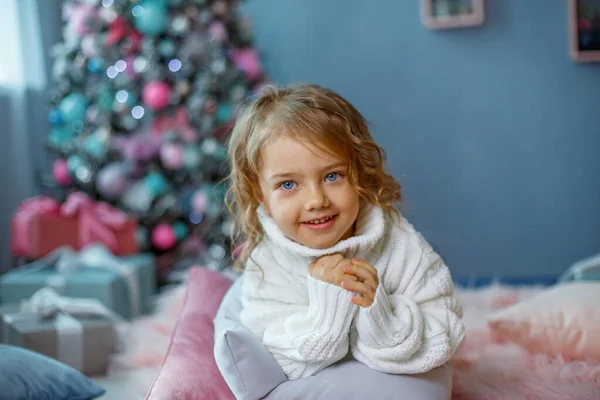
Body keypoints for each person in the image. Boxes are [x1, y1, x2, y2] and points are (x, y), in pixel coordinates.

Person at [225, 83, 465, 383]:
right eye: (288, 184)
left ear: (360, 174)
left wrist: (380, 313)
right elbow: (275, 359)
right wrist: (327, 314)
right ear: (260, 195)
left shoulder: (397, 242)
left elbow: (446, 328)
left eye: (332, 176)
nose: (316, 201)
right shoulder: (269, 263)